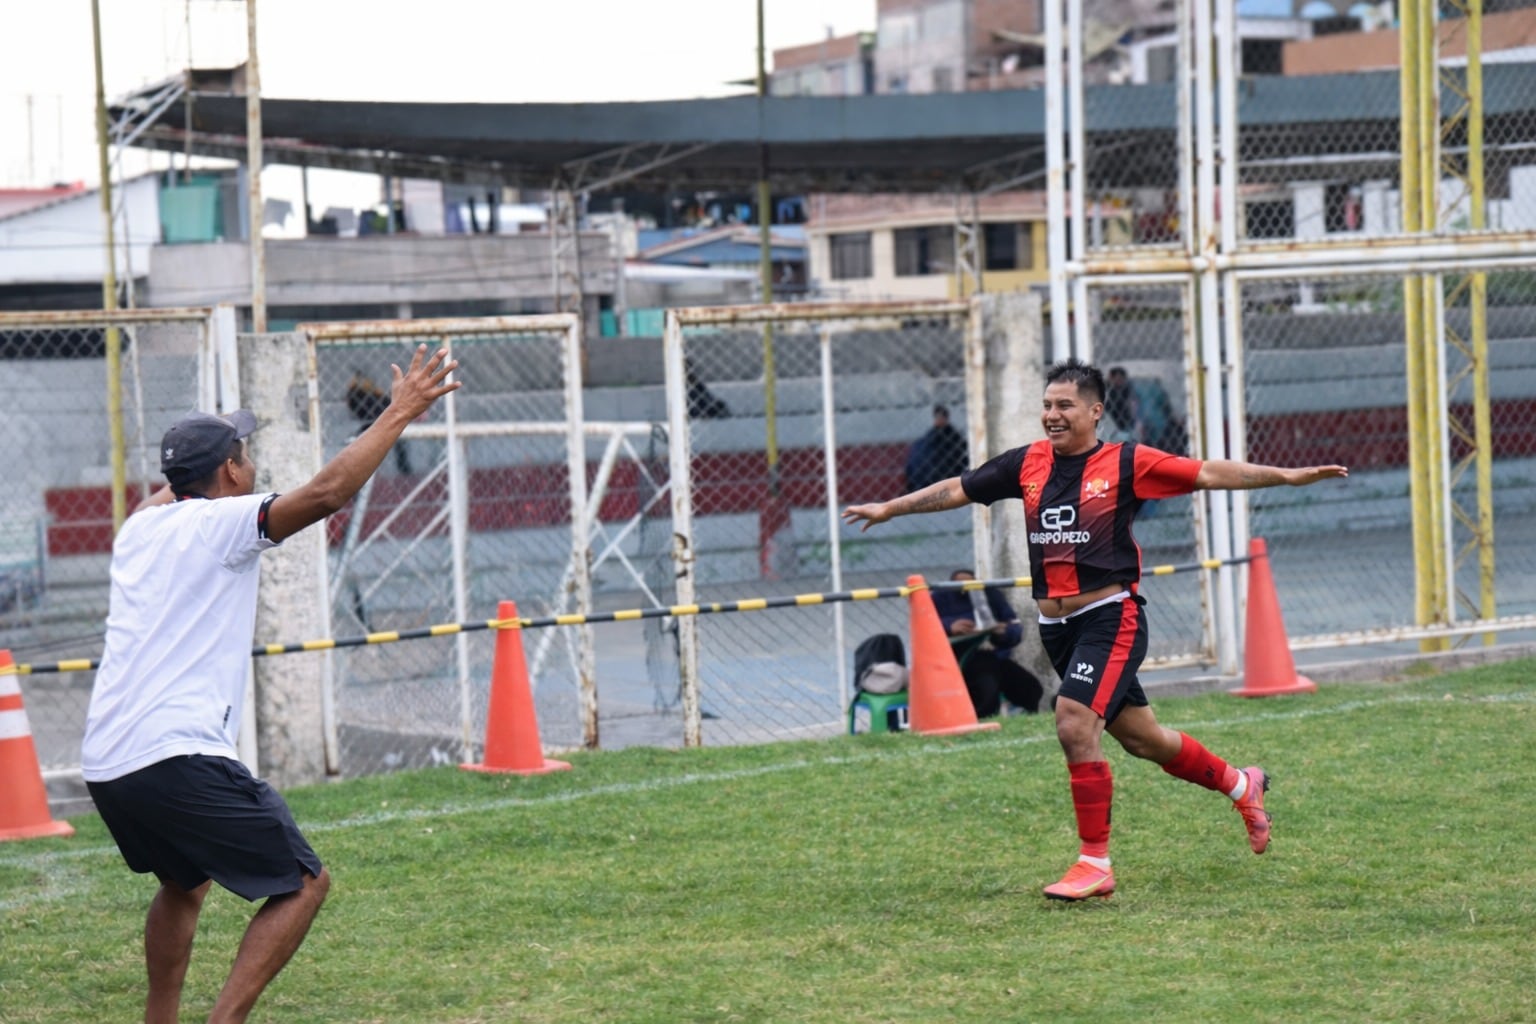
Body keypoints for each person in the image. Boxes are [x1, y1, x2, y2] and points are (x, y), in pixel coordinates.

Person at [843, 357, 1347, 902]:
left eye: (1064, 406)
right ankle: (1240, 784)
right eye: (1046, 405)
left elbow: (1208, 473)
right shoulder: (1027, 464)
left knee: (1073, 721)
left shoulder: (1128, 462)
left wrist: (1288, 476)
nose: (1051, 416)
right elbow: (960, 488)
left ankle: (1094, 863)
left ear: (1095, 411)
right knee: (1143, 740)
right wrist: (890, 508)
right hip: (1057, 629)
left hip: (1111, 618)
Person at [80, 344, 459, 1022]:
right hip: (175, 754)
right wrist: (399, 412)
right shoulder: (223, 523)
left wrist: (191, 457)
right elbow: (327, 494)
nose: (251, 460)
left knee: (183, 883)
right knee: (305, 883)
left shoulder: (139, 529)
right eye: (243, 451)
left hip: (110, 761)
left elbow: (182, 485)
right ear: (229, 469)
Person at [931, 569, 1044, 718]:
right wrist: (949, 627)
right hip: (960, 661)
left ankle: (1030, 720)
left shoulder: (990, 595)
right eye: (960, 586)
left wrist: (1002, 631)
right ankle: (981, 719)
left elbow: (1014, 628)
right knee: (986, 683)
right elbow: (925, 628)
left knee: (1031, 687)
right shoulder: (940, 597)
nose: (966, 589)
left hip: (995, 656)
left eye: (971, 585)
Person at [347, 371, 413, 473]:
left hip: (380, 421)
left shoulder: (368, 396)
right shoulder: (365, 396)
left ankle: (404, 468)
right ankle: (404, 468)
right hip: (379, 422)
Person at [904, 404, 969, 492]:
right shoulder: (927, 441)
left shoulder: (951, 438)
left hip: (931, 483)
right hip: (939, 481)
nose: (940, 420)